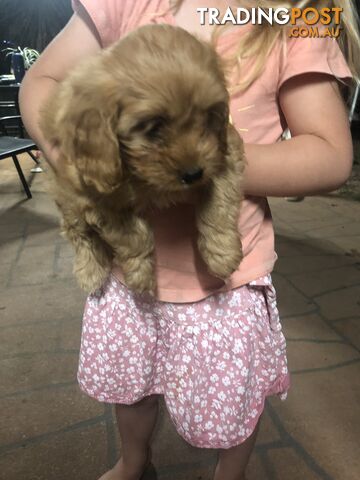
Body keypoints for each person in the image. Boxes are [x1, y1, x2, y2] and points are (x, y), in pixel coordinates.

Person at [19, 1, 360, 479]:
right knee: (131, 386)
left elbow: (330, 156)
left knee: (233, 404)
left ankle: (230, 473)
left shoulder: (297, 15)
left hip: (227, 282)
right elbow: (41, 83)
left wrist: (213, 167)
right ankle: (133, 462)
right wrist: (79, 157)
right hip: (128, 269)